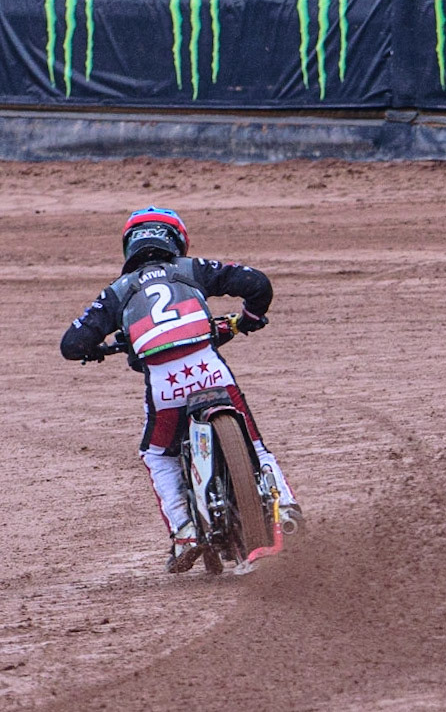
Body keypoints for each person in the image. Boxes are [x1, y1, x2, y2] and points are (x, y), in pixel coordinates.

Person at [61, 206, 302, 573]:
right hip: (210, 368)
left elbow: (71, 344)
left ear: (130, 246)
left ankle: (184, 531)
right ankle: (284, 506)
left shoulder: (116, 291)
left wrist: (95, 350)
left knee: (158, 454)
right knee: (254, 443)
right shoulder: (192, 270)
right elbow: (257, 284)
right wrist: (251, 318)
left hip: (164, 384)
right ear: (177, 240)